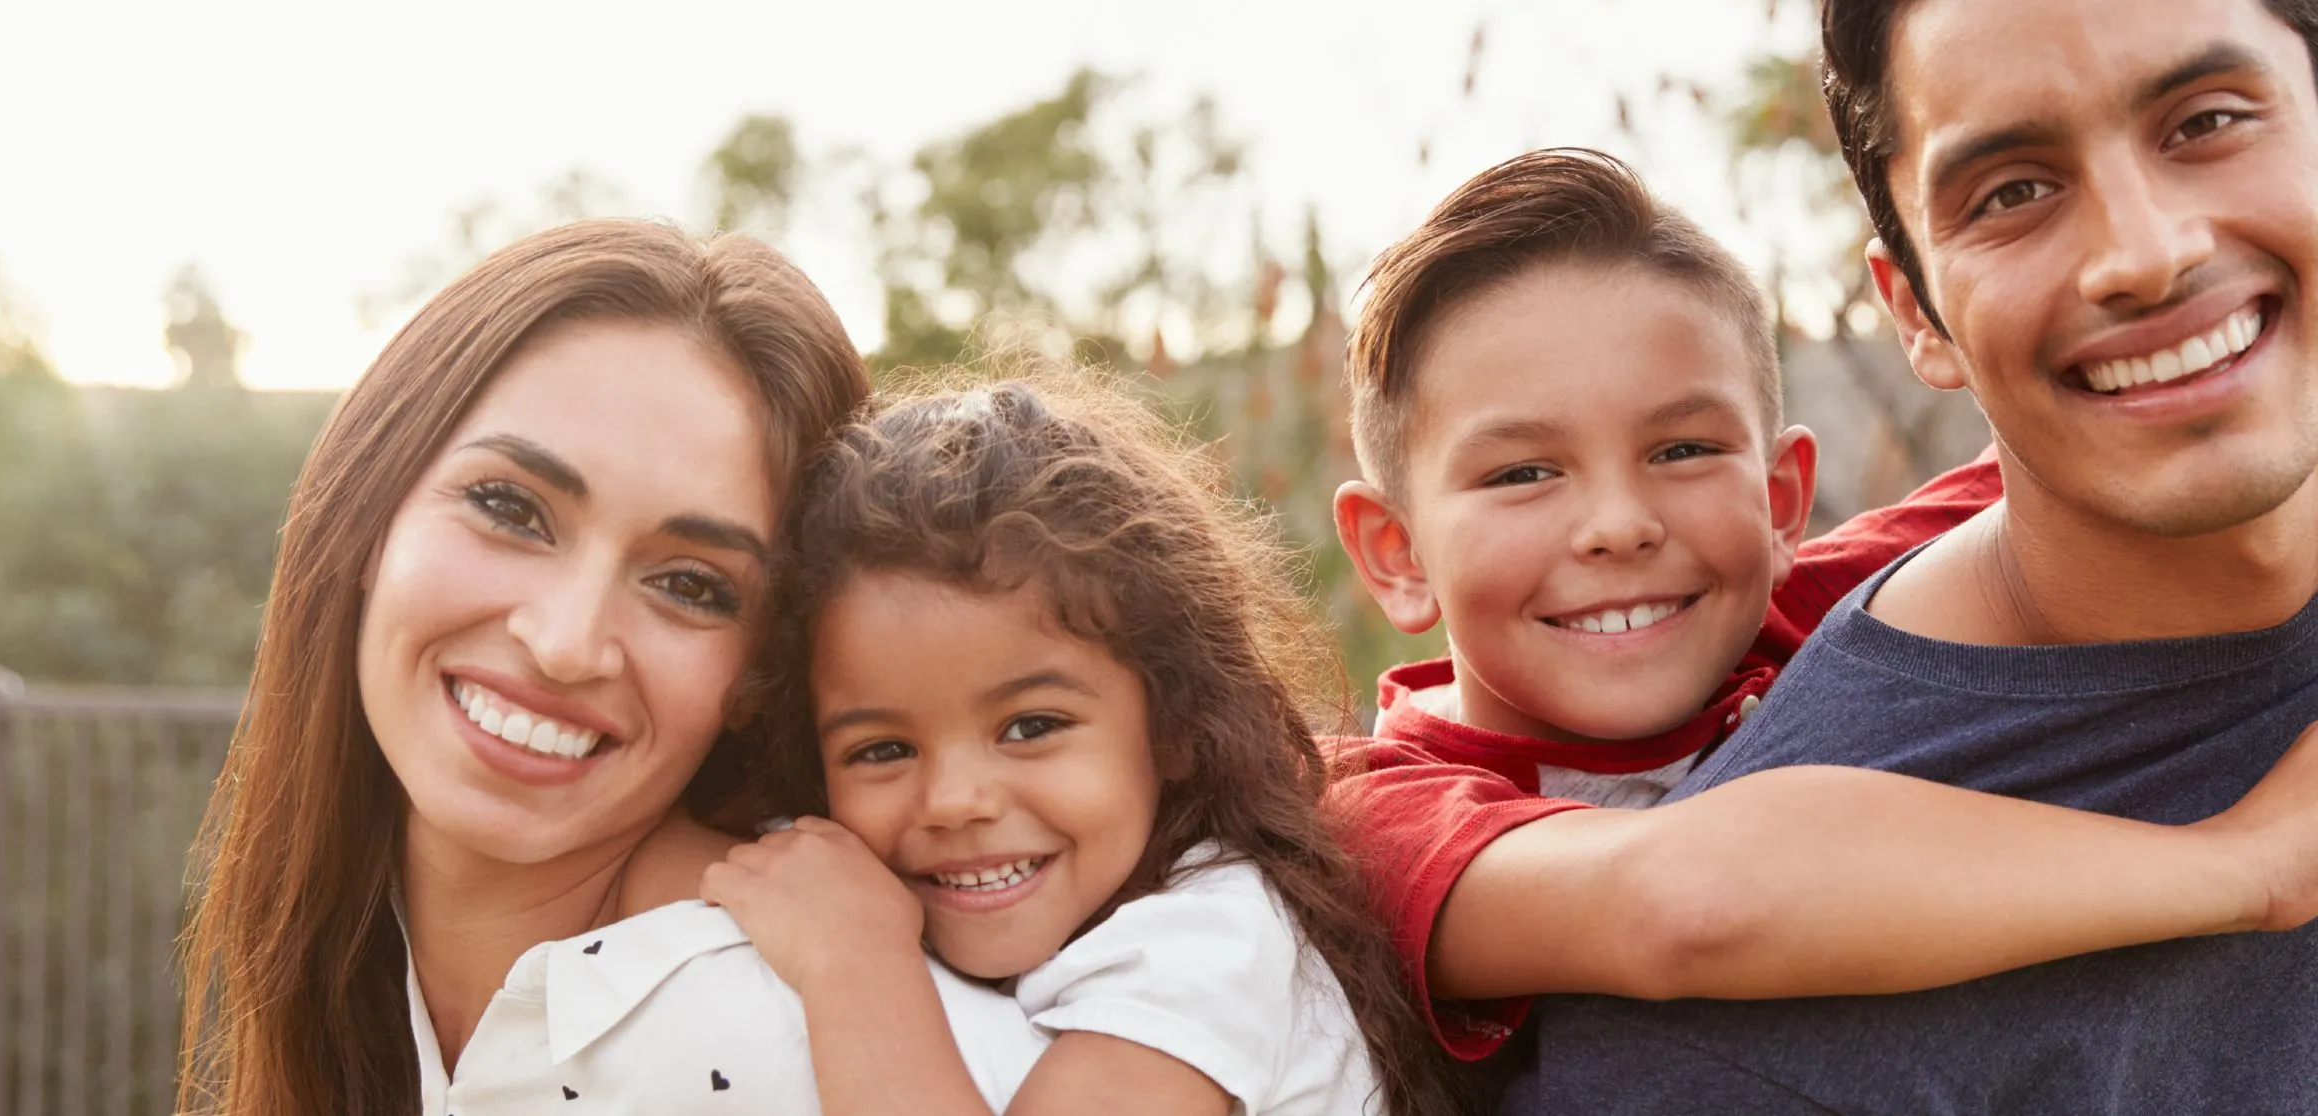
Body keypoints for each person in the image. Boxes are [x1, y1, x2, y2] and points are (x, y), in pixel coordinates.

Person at [1322, 144, 2318, 1064]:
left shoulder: (1817, 610)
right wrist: (2245, 865)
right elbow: (1687, 902)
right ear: (1396, 551)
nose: (1617, 525)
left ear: (1779, 503)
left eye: (1682, 451)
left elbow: (2069, 461)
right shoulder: (1373, 810)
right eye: (1520, 475)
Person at [1510, 0, 2318, 1111]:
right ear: (1915, 312)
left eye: (2204, 122)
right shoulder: (1738, 1045)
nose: (2145, 255)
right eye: (2011, 192)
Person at [175, 220, 1043, 1115]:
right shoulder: (367, 965)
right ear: (368, 513)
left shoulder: (773, 1035)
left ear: (762, 677)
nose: (565, 642)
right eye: (510, 508)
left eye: (691, 585)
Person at [697, 377, 1474, 1116]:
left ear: (1173, 727)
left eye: (1031, 728)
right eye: (881, 750)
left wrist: (856, 961)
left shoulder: (1208, 945)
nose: (953, 800)